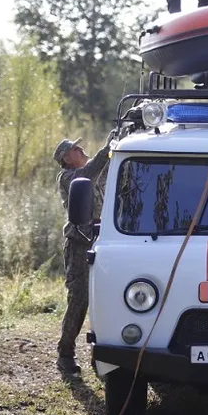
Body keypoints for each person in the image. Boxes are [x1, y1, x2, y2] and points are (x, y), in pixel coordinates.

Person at [52, 131, 115, 374]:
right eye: (75, 149)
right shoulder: (68, 177)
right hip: (80, 244)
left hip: (104, 241)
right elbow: (90, 173)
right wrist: (106, 148)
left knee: (108, 298)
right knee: (79, 299)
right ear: (67, 159)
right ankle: (65, 353)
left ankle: (102, 354)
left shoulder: (93, 171)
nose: (81, 150)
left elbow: (108, 169)